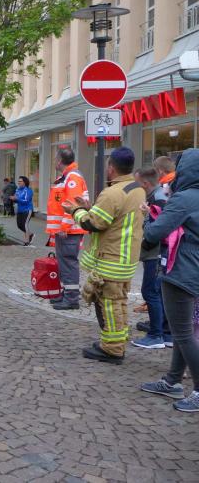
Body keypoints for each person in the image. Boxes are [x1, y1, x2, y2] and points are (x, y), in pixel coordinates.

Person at [63, 146, 145, 365]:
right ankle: (116, 341)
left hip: (111, 258)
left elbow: (94, 224)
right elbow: (114, 216)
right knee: (119, 302)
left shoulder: (111, 193)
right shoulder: (136, 188)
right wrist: (91, 207)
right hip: (126, 257)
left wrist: (75, 211)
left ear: (111, 167)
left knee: (108, 304)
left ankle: (113, 349)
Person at [139, 149, 199, 412]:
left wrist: (146, 219)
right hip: (193, 268)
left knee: (183, 334)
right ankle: (172, 380)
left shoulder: (184, 198)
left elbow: (155, 233)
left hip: (181, 269)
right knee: (181, 330)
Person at [46, 148, 89, 310]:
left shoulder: (72, 177)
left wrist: (64, 226)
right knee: (64, 263)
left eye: (55, 159)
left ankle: (71, 298)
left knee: (69, 263)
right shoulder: (66, 177)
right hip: (66, 229)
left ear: (59, 161)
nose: (54, 162)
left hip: (69, 230)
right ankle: (67, 293)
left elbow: (73, 204)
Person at [132, 167, 170, 349]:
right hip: (156, 252)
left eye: (137, 183)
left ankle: (156, 335)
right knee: (159, 293)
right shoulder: (158, 195)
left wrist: (145, 242)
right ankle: (166, 332)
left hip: (155, 253)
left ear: (145, 183)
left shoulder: (158, 199)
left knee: (150, 292)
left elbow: (158, 229)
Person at [11, 176, 35, 246]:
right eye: (18, 181)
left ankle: (27, 241)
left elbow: (26, 200)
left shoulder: (28, 190)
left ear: (25, 182)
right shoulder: (17, 190)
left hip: (27, 210)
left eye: (20, 181)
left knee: (25, 225)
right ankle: (31, 234)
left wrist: (16, 199)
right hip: (20, 210)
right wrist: (13, 199)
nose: (19, 183)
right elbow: (16, 198)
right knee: (19, 225)